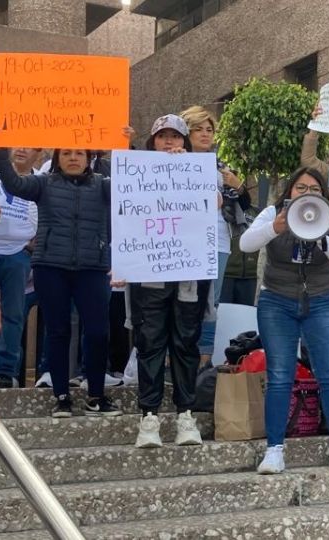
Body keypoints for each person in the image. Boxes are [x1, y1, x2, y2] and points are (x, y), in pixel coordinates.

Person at [0, 125, 127, 417]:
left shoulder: (104, 185)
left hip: (92, 268)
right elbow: (13, 183)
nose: (73, 157)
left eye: (79, 152)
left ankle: (96, 396)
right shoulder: (44, 184)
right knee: (58, 331)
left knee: (98, 332)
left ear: (89, 157)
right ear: (57, 157)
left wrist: (124, 147)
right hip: (50, 268)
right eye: (67, 152)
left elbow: (132, 187)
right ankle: (62, 396)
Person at [240, 166, 329, 474]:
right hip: (276, 301)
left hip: (321, 301)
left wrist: (321, 238)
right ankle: (274, 449)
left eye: (314, 189)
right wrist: (277, 228)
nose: (307, 193)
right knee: (280, 375)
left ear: (323, 194)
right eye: (301, 188)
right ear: (290, 191)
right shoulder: (273, 213)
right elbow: (246, 243)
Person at [129, 115, 207, 448]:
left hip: (189, 273)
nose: (170, 143)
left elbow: (215, 205)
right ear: (152, 142)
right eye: (163, 137)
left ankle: (185, 415)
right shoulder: (134, 175)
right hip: (150, 272)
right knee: (150, 342)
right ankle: (148, 417)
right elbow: (125, 214)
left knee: (186, 343)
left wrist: (193, 173)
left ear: (186, 143)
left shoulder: (201, 171)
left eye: (176, 137)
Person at [180, 106, 241, 368]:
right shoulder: (174, 160)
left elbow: (243, 203)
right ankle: (179, 354)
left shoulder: (222, 167)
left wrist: (236, 185)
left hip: (217, 240)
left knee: (210, 302)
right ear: (187, 131)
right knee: (182, 297)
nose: (205, 134)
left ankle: (204, 358)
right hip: (182, 239)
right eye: (198, 129)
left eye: (209, 130)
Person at [0, 148, 38, 388]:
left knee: (13, 316)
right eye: (16, 143)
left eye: (28, 144)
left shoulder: (40, 181)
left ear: (38, 151)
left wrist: (30, 247)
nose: (20, 149)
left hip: (18, 255)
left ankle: (5, 373)